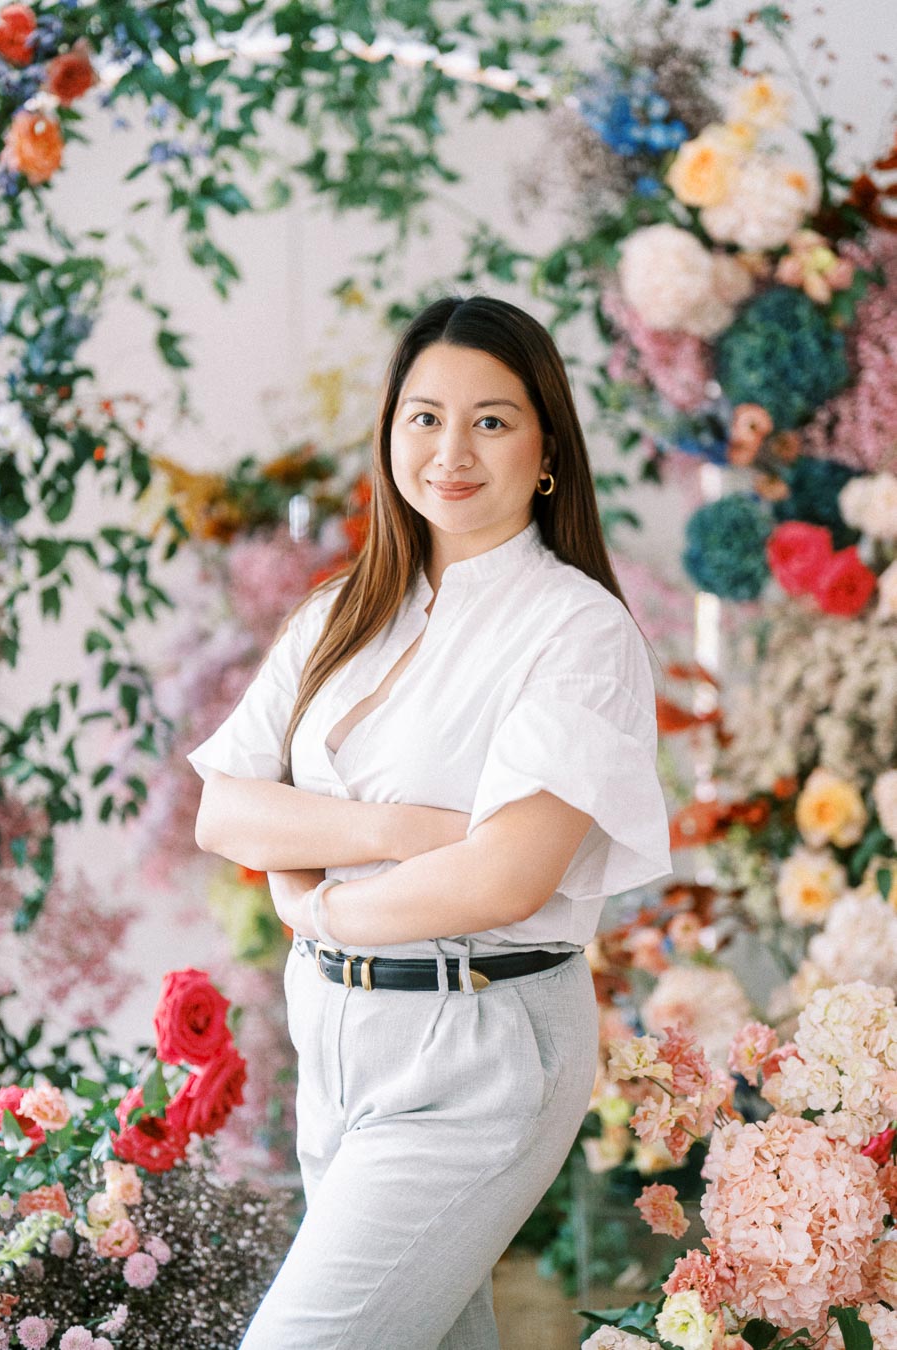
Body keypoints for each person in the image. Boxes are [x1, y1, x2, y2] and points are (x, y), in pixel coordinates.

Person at [187, 294, 673, 1349]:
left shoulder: (576, 630)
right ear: (390, 432)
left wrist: (319, 907)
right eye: (425, 416)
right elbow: (226, 809)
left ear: (548, 452)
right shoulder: (342, 609)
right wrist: (402, 830)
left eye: (492, 421)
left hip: (481, 1044)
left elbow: (506, 877)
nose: (451, 449)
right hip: (337, 1036)